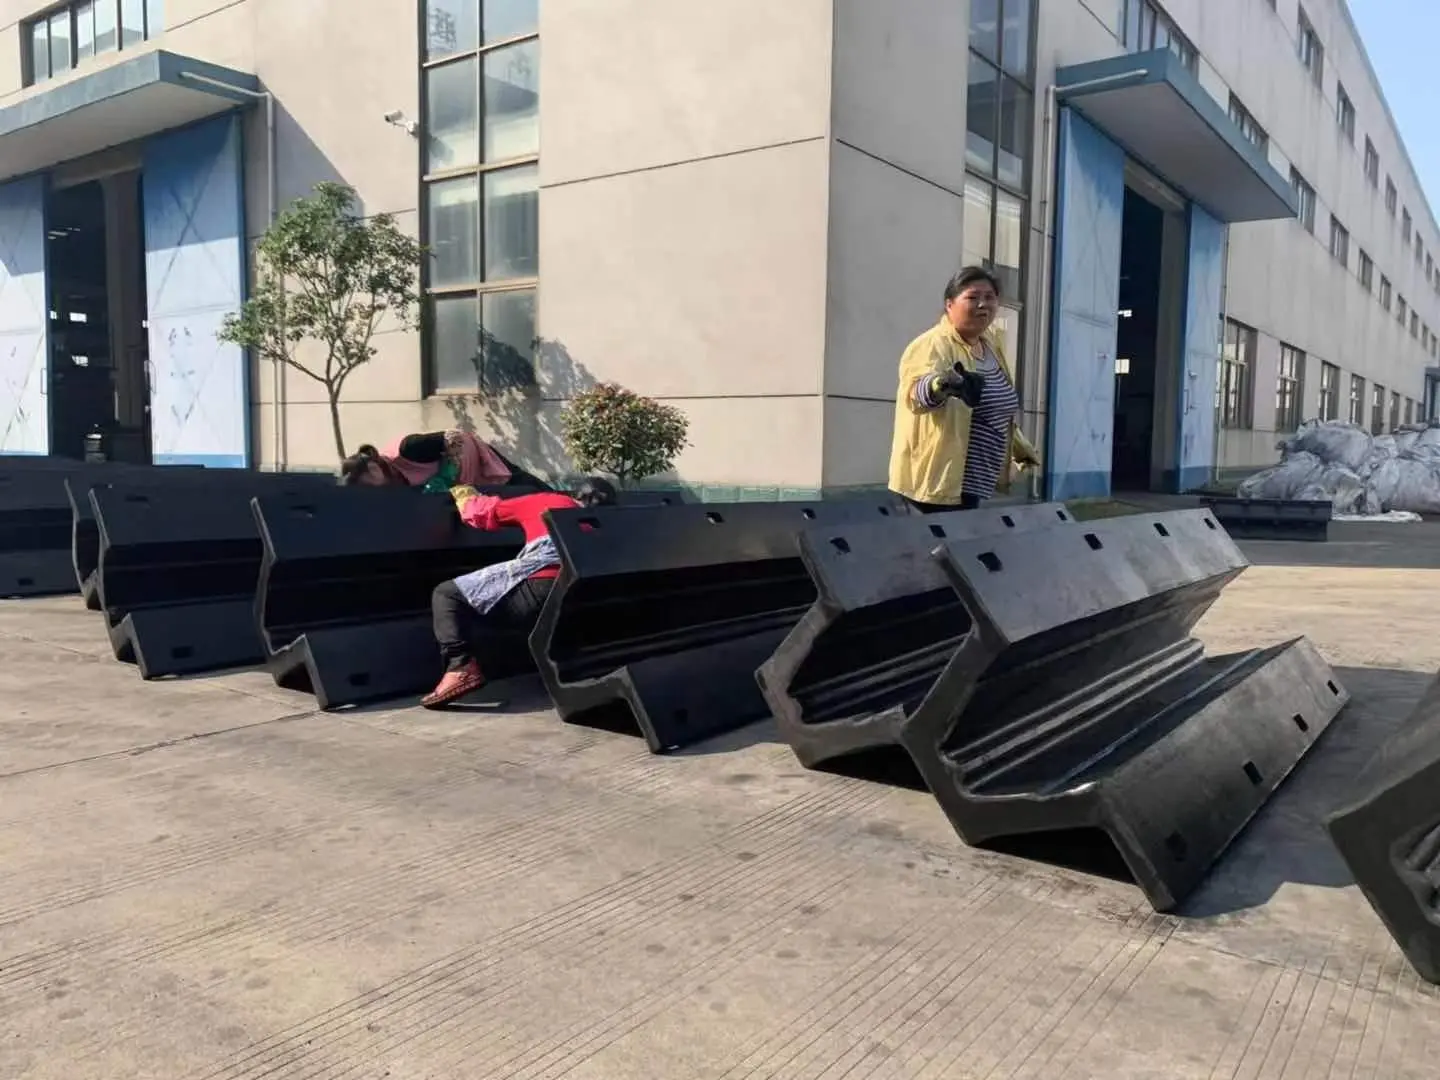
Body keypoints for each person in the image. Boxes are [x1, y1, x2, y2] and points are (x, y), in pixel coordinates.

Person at [422, 477, 618, 708]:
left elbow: (483, 513)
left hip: (541, 591)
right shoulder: (611, 524)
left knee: (447, 594)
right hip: (587, 600)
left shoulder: (550, 501)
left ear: (576, 494)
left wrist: (465, 493)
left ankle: (461, 666)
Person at [888, 266, 1041, 513]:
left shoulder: (991, 344)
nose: (983, 304)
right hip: (936, 486)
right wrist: (945, 384)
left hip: (973, 483)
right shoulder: (933, 344)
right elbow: (916, 394)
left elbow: (994, 407)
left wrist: (1019, 448)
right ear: (950, 304)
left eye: (990, 297)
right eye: (972, 297)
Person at [338, 429, 547, 493]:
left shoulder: (407, 448)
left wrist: (446, 475)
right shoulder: (390, 487)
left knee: (528, 489)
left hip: (475, 461)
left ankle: (572, 508)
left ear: (374, 466)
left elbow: (453, 436)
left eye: (368, 476)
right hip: (468, 490)